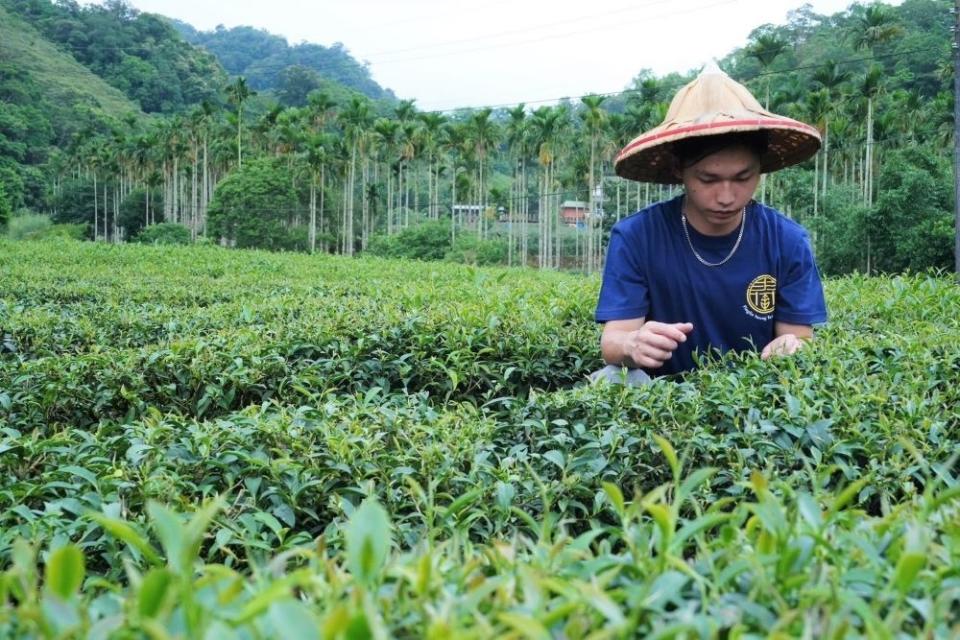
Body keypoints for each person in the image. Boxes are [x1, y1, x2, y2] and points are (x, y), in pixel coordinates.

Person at [592, 62, 827, 385]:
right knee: (613, 379)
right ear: (679, 169)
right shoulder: (637, 236)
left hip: (753, 397)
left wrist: (793, 346)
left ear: (760, 169)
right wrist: (632, 344)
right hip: (659, 399)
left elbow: (798, 336)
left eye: (743, 177)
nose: (727, 196)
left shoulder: (787, 240)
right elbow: (613, 341)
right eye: (709, 178)